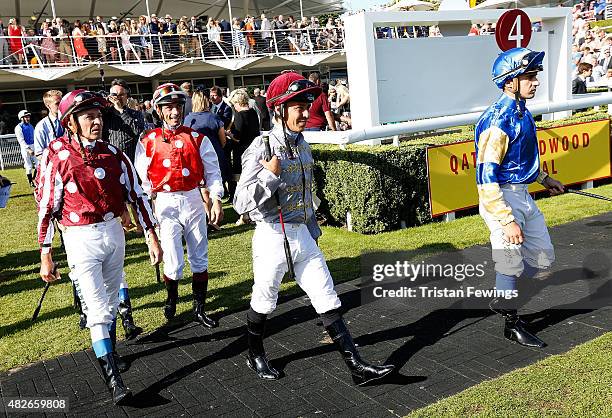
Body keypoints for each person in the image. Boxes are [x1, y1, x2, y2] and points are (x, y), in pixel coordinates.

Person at [233, 71, 395, 385]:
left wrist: (314, 235)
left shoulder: (303, 143)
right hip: (271, 237)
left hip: (303, 236)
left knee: (327, 297)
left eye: (307, 105)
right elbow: (240, 203)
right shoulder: (261, 146)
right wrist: (269, 176)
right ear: (279, 108)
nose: (306, 112)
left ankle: (357, 367)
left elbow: (306, 198)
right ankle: (254, 351)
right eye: (297, 106)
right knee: (264, 300)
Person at [37, 90, 162, 405]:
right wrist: (46, 251)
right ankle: (115, 382)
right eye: (88, 116)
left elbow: (137, 194)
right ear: (72, 122)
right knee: (96, 308)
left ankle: (112, 354)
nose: (97, 121)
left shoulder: (114, 153)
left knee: (107, 303)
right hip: (80, 237)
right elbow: (48, 205)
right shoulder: (56, 153)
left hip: (113, 233)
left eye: (99, 116)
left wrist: (151, 234)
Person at [476, 48, 565, 349]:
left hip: (523, 194)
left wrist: (544, 179)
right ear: (510, 81)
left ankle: (504, 296)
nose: (535, 81)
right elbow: (486, 177)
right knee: (511, 262)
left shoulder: (522, 111)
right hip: (502, 199)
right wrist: (506, 219)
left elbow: (520, 160)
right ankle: (511, 323)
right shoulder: (497, 121)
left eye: (535, 76)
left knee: (543, 257)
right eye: (529, 76)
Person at [134, 83, 224, 328]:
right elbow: (141, 179)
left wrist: (215, 199)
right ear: (159, 111)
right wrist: (147, 206)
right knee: (172, 257)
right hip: (164, 202)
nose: (174, 112)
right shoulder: (147, 141)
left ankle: (199, 308)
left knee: (199, 254)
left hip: (193, 199)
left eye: (177, 107)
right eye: (168, 108)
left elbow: (214, 172)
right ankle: (171, 299)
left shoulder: (197, 138)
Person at [101, 78, 147, 338]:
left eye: (120, 94)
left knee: (138, 205)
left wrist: (122, 111)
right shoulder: (105, 117)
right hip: (110, 172)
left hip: (133, 167)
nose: (116, 98)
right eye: (112, 94)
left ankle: (143, 226)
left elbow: (137, 134)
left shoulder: (134, 115)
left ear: (127, 96)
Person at [34, 90, 64, 159]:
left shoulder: (68, 121)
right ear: (48, 106)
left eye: (61, 103)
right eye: (57, 103)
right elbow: (39, 154)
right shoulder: (41, 126)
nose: (61, 105)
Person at [14, 110, 37, 186]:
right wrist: (28, 149)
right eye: (26, 117)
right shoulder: (18, 127)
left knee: (39, 164)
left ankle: (34, 179)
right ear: (21, 118)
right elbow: (21, 140)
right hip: (25, 147)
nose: (28, 118)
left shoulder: (31, 126)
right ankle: (30, 181)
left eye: (28, 117)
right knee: (29, 166)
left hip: (33, 145)